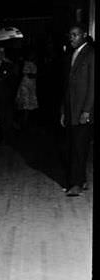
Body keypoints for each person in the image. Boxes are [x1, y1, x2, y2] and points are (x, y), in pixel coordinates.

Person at [61, 23, 94, 197]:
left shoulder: (91, 54)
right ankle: (81, 180)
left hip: (83, 111)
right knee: (74, 146)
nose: (71, 38)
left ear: (84, 35)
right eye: (70, 35)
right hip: (71, 110)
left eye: (75, 35)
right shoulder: (72, 54)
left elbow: (92, 86)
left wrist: (87, 111)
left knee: (78, 148)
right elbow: (68, 87)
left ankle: (76, 184)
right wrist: (63, 111)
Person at [15, 48, 39, 130]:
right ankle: (22, 123)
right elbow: (27, 74)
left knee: (28, 106)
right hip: (26, 85)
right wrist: (35, 75)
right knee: (25, 105)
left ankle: (25, 123)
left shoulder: (33, 63)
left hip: (31, 86)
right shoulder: (26, 63)